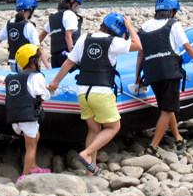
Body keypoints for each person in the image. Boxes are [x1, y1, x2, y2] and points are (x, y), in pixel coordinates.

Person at [48, 12, 141, 175]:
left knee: (93, 130)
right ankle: (86, 153)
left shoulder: (84, 38)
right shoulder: (114, 42)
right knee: (113, 127)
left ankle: (92, 169)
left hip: (83, 92)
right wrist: (130, 27)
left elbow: (69, 62)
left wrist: (55, 81)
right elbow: (137, 45)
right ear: (118, 30)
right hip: (101, 92)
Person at [135, 0, 193, 159]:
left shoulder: (145, 26)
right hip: (169, 72)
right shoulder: (173, 25)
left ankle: (178, 139)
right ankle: (153, 147)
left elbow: (141, 53)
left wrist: (137, 76)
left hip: (151, 73)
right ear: (172, 12)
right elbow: (187, 47)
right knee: (168, 109)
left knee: (165, 109)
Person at [5, 44, 51, 182]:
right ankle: (25, 175)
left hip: (16, 118)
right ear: (33, 61)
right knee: (31, 146)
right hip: (28, 117)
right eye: (38, 59)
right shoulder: (36, 77)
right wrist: (51, 90)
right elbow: (44, 95)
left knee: (35, 136)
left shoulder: (13, 78)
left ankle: (34, 165)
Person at [0, 0, 50, 71]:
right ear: (31, 8)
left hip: (12, 63)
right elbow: (38, 48)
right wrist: (48, 66)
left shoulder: (9, 23)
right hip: (26, 63)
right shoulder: (29, 26)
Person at [39, 0, 83, 68]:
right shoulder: (70, 14)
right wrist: (73, 58)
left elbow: (42, 36)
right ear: (72, 1)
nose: (78, 7)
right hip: (66, 55)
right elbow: (68, 36)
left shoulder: (53, 16)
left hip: (54, 58)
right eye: (78, 4)